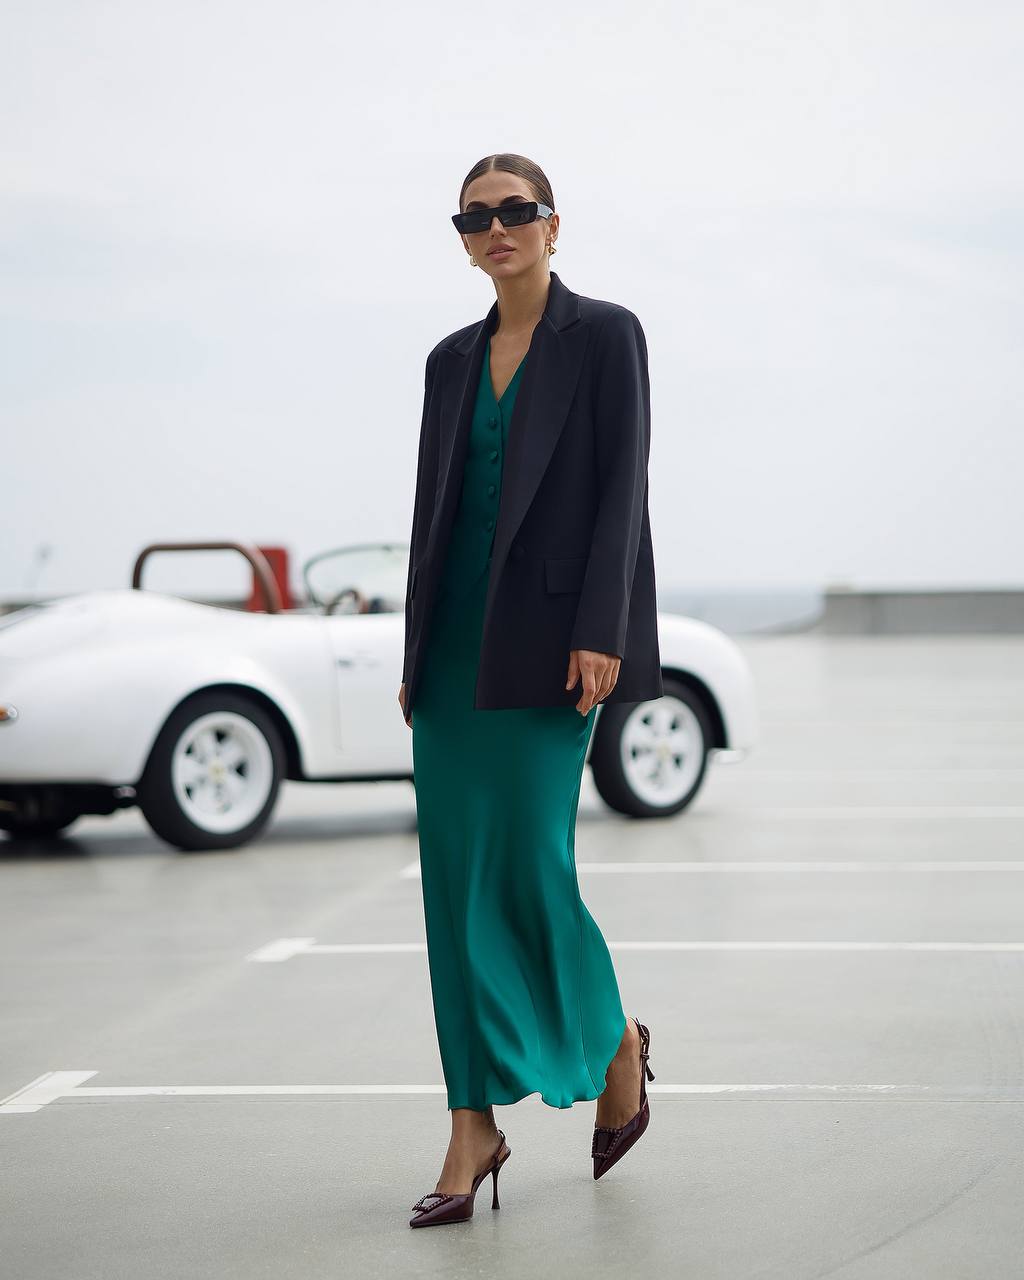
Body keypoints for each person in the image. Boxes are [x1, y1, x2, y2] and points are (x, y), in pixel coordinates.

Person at [399, 154, 661, 1228]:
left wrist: (603, 626)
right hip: (454, 646)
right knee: (452, 890)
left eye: (515, 211)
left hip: (553, 648)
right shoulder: (448, 359)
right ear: (462, 236)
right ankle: (473, 1120)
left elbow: (621, 485)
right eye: (476, 216)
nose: (496, 227)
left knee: (531, 869)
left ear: (554, 222)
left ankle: (614, 1041)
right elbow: (431, 513)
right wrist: (416, 654)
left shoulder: (603, 336)